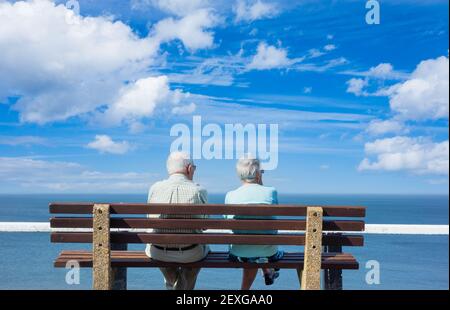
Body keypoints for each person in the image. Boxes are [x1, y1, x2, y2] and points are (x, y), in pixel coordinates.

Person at [145, 151, 209, 290]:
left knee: (160, 251)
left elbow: (150, 220)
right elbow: (204, 226)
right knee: (204, 248)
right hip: (190, 253)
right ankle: (182, 287)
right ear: (189, 168)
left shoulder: (155, 189)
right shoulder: (199, 190)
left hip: (159, 252)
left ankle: (172, 282)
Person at [225, 154, 283, 290]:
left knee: (250, 249)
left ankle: (265, 273)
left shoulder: (231, 195)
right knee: (260, 248)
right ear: (258, 174)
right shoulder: (271, 192)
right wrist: (260, 184)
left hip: (238, 252)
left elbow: (228, 220)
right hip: (268, 251)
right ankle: (268, 271)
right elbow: (273, 219)